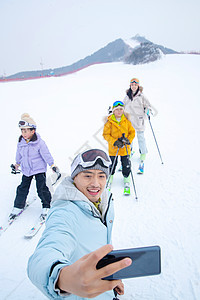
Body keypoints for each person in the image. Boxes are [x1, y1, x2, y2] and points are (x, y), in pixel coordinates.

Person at [27, 149, 132, 299]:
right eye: (87, 176)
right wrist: (63, 278)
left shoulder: (103, 199)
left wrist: (110, 276)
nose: (96, 184)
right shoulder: (65, 212)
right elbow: (44, 256)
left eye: (101, 176)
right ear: (75, 177)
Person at [9, 113, 59, 220]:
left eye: (26, 131)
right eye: (22, 131)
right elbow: (19, 154)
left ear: (33, 131)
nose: (24, 133)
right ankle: (18, 206)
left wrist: (52, 165)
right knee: (22, 188)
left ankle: (46, 205)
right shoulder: (21, 142)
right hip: (26, 169)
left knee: (41, 188)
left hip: (39, 169)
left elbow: (46, 154)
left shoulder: (39, 143)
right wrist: (17, 164)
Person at [123, 78, 158, 174]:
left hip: (139, 120)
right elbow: (123, 106)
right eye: (132, 85)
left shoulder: (142, 96)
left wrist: (147, 110)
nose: (133, 86)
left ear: (138, 86)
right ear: (130, 86)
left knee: (140, 137)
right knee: (129, 138)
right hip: (129, 121)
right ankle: (129, 151)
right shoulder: (127, 96)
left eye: (135, 85)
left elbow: (148, 106)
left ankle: (143, 153)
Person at [103, 101, 135, 194]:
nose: (119, 111)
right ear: (113, 111)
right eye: (117, 109)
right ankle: (110, 177)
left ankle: (126, 178)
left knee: (126, 164)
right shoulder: (109, 122)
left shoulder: (127, 121)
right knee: (112, 164)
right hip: (114, 149)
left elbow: (132, 132)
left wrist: (128, 140)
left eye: (121, 109)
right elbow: (105, 134)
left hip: (125, 148)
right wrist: (114, 142)